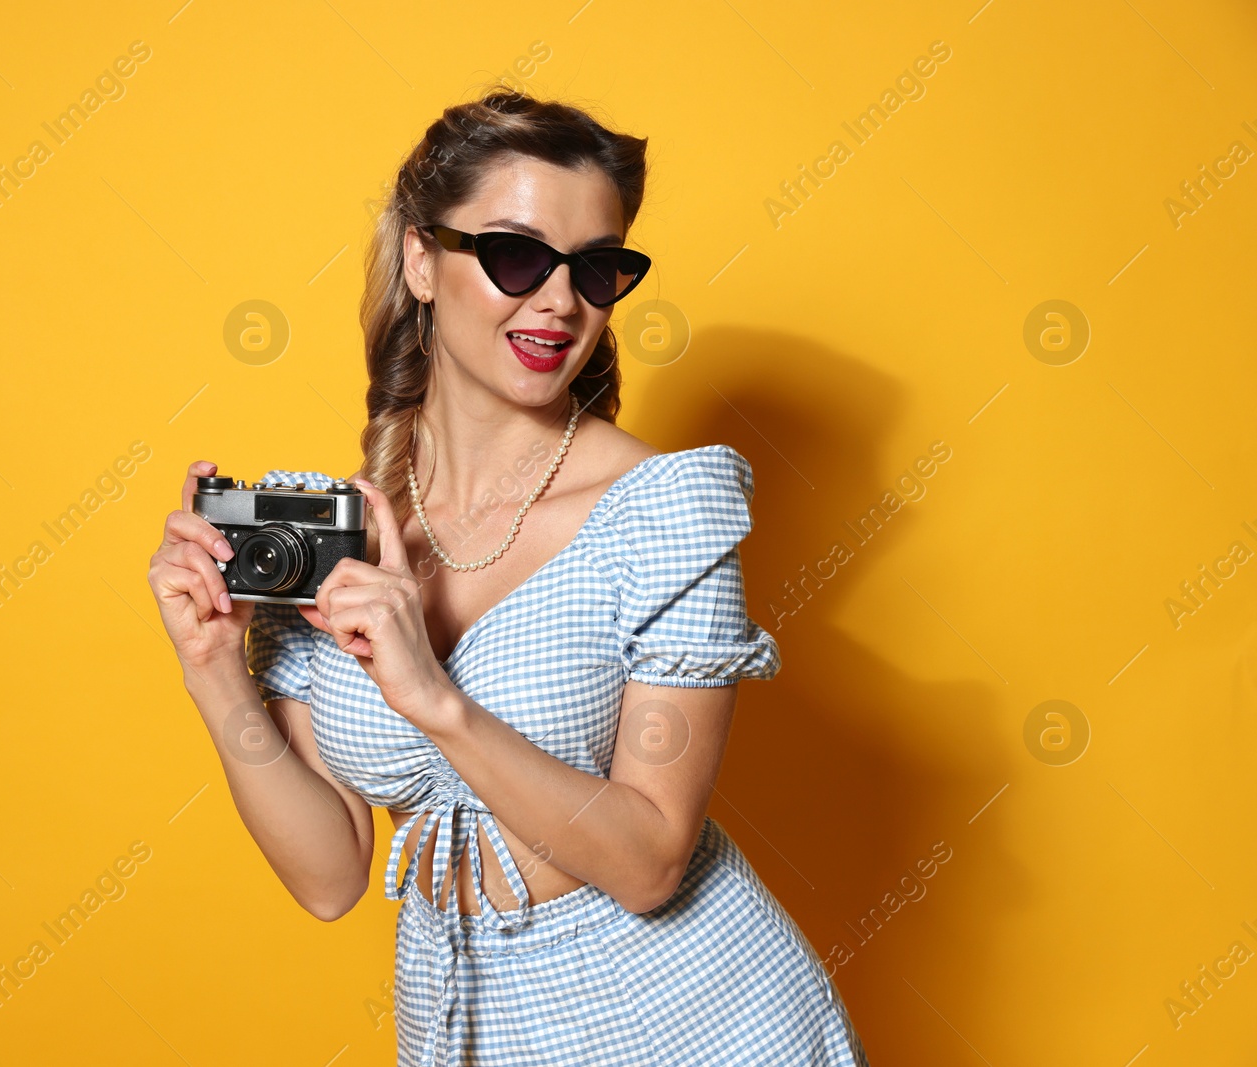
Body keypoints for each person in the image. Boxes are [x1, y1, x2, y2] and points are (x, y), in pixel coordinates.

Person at [148, 89, 868, 1067]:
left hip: (698, 1018)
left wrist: (433, 697)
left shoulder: (658, 511)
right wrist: (211, 668)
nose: (560, 301)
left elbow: (653, 859)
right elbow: (330, 875)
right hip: (470, 1021)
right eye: (516, 256)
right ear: (419, 259)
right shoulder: (335, 533)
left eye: (596, 269)